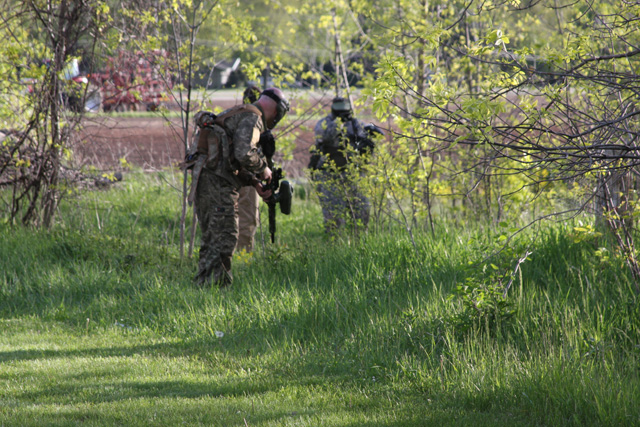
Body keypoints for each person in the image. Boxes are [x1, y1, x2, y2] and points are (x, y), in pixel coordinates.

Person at [192, 87, 290, 287]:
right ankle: (216, 291)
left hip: (208, 180)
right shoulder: (253, 118)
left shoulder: (241, 112)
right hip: (217, 184)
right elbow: (243, 152)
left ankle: (205, 289)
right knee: (224, 237)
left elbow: (231, 158)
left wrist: (254, 182)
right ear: (276, 111)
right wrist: (264, 170)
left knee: (214, 238)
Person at [309, 96, 381, 234]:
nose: (343, 113)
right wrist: (338, 123)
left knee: (362, 211)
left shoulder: (357, 125)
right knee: (334, 217)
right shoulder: (324, 123)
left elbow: (366, 147)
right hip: (330, 175)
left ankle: (359, 244)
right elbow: (324, 137)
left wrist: (369, 138)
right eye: (340, 111)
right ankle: (334, 247)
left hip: (354, 174)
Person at [236, 85, 263, 253]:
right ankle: (244, 256)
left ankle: (234, 254)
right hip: (247, 176)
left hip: (230, 175)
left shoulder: (234, 115)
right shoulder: (253, 119)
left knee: (234, 216)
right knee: (248, 218)